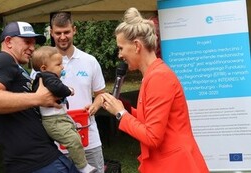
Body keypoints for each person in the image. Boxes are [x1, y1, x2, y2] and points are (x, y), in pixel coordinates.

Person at [100, 7, 210, 173]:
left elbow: (152, 136)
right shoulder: (152, 74)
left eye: (121, 48)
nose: (119, 55)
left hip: (176, 165)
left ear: (136, 46)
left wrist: (120, 114)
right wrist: (125, 108)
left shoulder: (159, 77)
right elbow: (153, 119)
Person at [0, 21, 79, 173]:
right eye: (27, 42)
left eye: (34, 43)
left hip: (44, 156)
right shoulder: (2, 59)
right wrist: (38, 99)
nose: (32, 48)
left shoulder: (17, 67)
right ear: (8, 41)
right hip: (34, 162)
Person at [49, 12, 106, 173]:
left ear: (74, 30)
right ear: (51, 33)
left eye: (66, 32)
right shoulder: (43, 63)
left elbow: (101, 94)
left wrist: (95, 106)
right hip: (57, 143)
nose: (62, 37)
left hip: (89, 139)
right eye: (58, 33)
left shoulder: (89, 61)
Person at [31, 46, 96, 173]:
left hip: (59, 117)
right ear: (44, 68)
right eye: (58, 64)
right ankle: (82, 166)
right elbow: (58, 88)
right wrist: (68, 90)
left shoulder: (44, 78)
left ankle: (79, 162)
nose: (62, 67)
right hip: (54, 120)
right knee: (73, 140)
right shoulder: (47, 77)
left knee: (74, 137)